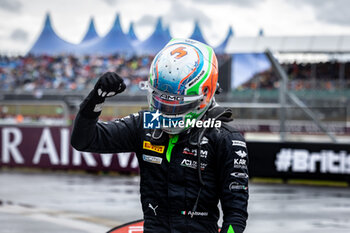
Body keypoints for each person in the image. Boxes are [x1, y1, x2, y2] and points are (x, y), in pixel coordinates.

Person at [71, 38, 249, 233]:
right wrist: (96, 99)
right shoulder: (148, 122)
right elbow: (84, 140)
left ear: (205, 94)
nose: (168, 113)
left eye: (177, 105)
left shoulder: (224, 138)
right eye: (162, 104)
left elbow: (235, 216)